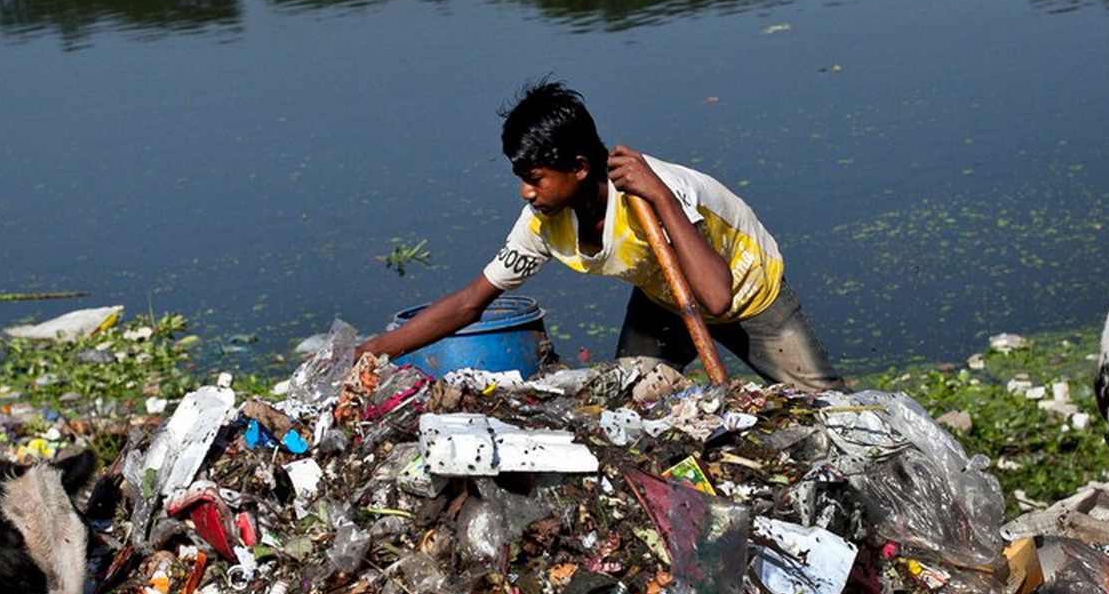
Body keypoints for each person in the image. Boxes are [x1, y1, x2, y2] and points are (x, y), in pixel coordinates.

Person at [355, 80, 842, 389]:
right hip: (663, 296)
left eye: (536, 178)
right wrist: (372, 351)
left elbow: (716, 298)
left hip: (747, 292)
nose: (526, 192)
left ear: (580, 168)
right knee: (628, 404)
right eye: (521, 177)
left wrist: (663, 200)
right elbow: (471, 303)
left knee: (835, 418)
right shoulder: (545, 222)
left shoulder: (651, 194)